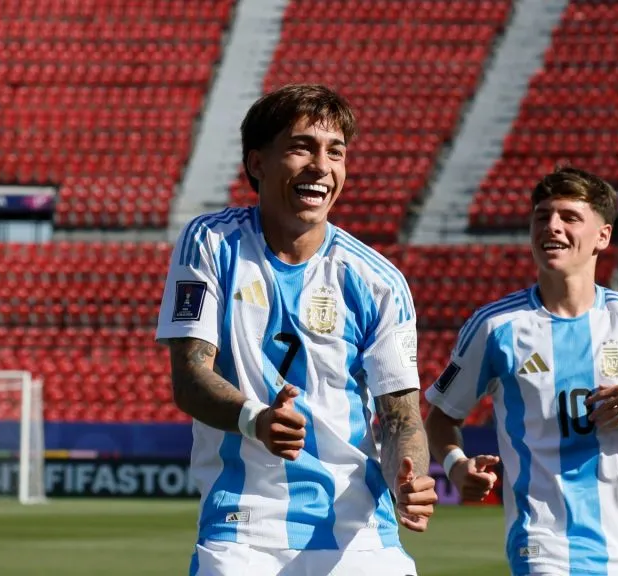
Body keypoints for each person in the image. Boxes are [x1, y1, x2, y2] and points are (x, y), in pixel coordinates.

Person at [156, 84, 437, 575]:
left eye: (336, 152)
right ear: (257, 162)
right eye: (301, 147)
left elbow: (401, 417)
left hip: (359, 532)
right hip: (242, 529)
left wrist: (408, 474)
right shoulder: (211, 243)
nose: (322, 166)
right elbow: (189, 376)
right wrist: (255, 419)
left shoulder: (378, 281)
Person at [424, 167, 618, 576]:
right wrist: (455, 464)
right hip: (545, 549)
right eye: (542, 216)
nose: (552, 226)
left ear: (602, 237)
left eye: (569, 217)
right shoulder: (496, 327)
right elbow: (442, 415)